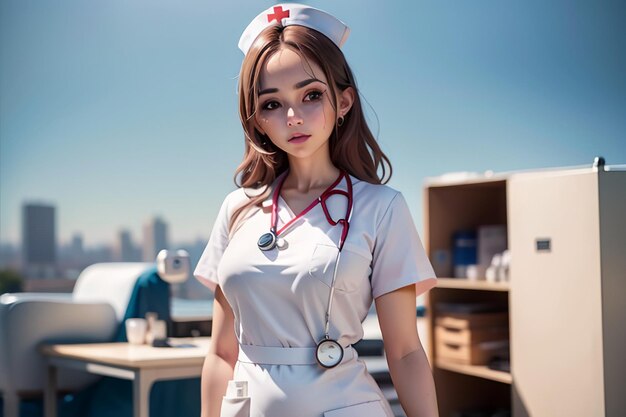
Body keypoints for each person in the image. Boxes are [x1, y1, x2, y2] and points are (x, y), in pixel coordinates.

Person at [194, 4, 439, 417]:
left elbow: (405, 352)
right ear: (257, 122)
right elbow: (220, 353)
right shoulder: (236, 209)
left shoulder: (381, 209)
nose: (293, 117)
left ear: (343, 102)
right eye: (272, 104)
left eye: (311, 96)